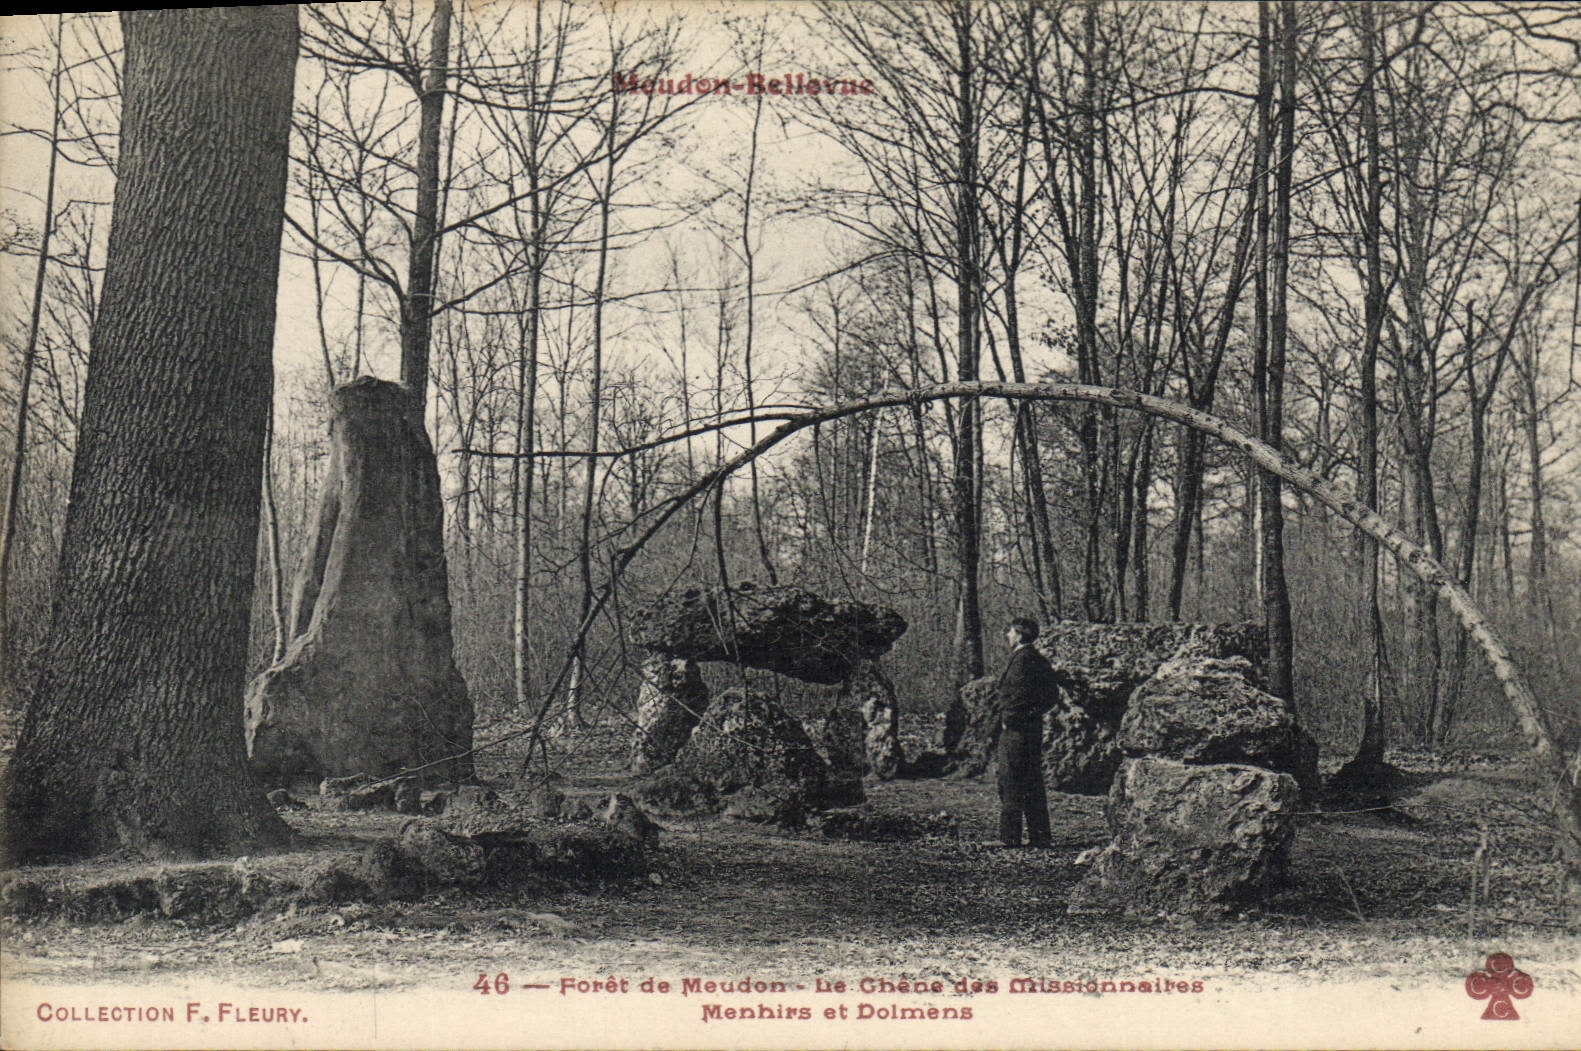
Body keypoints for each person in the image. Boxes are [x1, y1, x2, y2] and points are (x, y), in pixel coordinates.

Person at [996, 614, 1059, 848]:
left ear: (1020, 634)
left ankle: (1010, 837)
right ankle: (1040, 836)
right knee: (1032, 782)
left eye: (1011, 631)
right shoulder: (1038, 659)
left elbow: (1018, 696)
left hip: (1017, 731)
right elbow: (1051, 696)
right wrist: (1035, 715)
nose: (1007, 635)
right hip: (1032, 730)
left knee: (1010, 781)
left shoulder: (1022, 660)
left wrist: (1010, 719)